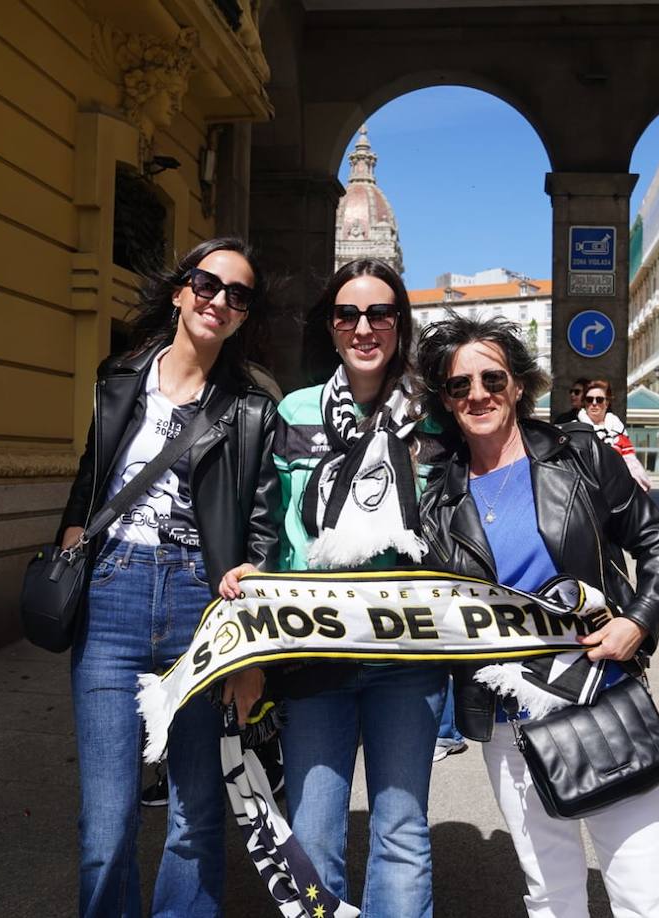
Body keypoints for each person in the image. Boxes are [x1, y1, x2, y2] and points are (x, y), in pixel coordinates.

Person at [415, 313, 659, 918]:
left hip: (600, 696)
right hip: (512, 722)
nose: (478, 394)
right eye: (460, 386)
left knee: (645, 888)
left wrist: (638, 620)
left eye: (492, 378)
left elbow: (658, 543)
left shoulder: (580, 454)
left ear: (517, 385)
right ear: (446, 399)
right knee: (551, 892)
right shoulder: (439, 500)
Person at [56, 237, 281, 918]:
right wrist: (71, 528)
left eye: (238, 296)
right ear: (181, 291)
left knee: (194, 813)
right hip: (113, 592)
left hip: (201, 602)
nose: (221, 301)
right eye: (209, 285)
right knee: (107, 823)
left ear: (244, 317)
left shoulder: (251, 406)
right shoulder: (118, 376)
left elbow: (263, 529)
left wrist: (253, 645)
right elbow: (94, 473)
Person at [221, 258, 445, 918]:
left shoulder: (434, 418)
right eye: (348, 314)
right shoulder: (294, 411)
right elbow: (275, 527)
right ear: (331, 325)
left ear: (401, 324)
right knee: (314, 837)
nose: (364, 327)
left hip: (408, 658)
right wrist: (253, 578)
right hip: (313, 652)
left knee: (402, 835)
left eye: (381, 313)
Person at [580, 379, 652, 491]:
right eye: (589, 399)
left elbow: (631, 462)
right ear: (584, 403)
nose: (594, 403)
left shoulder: (618, 431)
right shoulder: (576, 430)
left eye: (599, 400)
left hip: (617, 490)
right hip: (587, 490)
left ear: (606, 403)